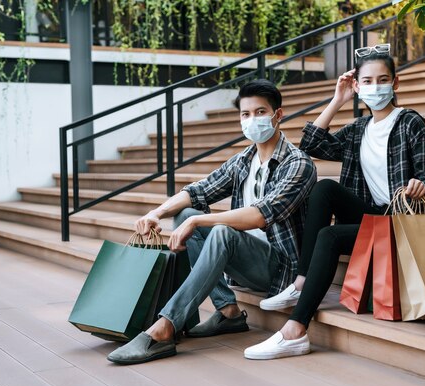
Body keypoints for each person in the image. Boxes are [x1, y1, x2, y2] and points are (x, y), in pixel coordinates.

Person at [244, 44, 425, 360]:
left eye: (382, 80)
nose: (375, 87)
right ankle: (300, 281)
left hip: (402, 222)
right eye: (367, 81)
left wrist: (421, 185)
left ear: (395, 83)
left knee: (330, 235)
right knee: (324, 188)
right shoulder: (358, 129)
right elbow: (311, 144)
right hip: (374, 216)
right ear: (357, 86)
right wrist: (338, 100)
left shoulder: (410, 124)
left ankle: (296, 328)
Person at [107, 79, 317, 365]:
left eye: (260, 112)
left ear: (277, 115)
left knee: (217, 231)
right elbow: (198, 190)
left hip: (280, 271)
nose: (252, 120)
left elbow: (260, 215)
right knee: (186, 214)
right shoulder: (243, 160)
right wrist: (156, 213)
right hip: (245, 261)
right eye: (246, 114)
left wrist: (200, 223)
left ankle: (165, 325)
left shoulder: (298, 164)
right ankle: (228, 312)